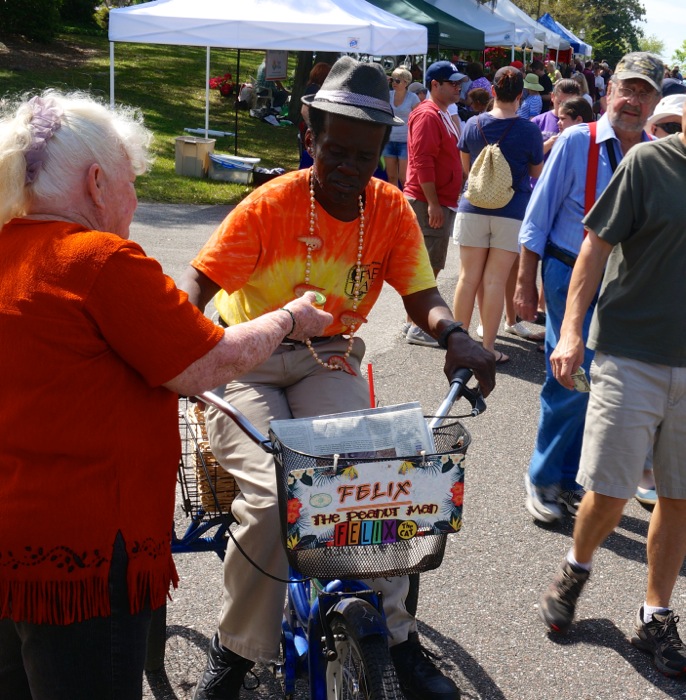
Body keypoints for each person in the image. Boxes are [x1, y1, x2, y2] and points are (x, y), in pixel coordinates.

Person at [180, 56, 496, 700]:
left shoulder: (388, 209)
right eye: (337, 151)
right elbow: (197, 286)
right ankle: (237, 652)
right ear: (311, 138)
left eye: (365, 154)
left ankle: (398, 638)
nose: (352, 167)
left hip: (328, 358)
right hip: (248, 361)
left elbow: (421, 295)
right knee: (277, 496)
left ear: (384, 147)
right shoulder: (270, 205)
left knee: (383, 484)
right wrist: (174, 348)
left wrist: (456, 335)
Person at [0, 89, 331, 700]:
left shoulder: (9, 248)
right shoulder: (99, 259)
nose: (132, 200)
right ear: (98, 182)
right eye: (131, 181)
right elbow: (209, 361)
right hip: (88, 557)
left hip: (16, 542)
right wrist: (287, 319)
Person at [538, 101, 686, 677]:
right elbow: (595, 247)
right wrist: (571, 331)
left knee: (678, 496)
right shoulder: (648, 163)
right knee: (611, 488)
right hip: (630, 352)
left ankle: (655, 615)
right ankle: (575, 568)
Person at [514, 52, 664, 523]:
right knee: (572, 374)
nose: (633, 101)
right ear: (609, 90)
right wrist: (524, 283)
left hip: (624, 283)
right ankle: (543, 478)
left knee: (605, 383)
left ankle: (570, 476)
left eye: (644, 93)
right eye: (627, 89)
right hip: (566, 273)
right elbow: (536, 219)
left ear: (656, 102)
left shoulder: (654, 153)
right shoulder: (577, 141)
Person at [452, 66, 544, 364]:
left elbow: (466, 166)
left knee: (467, 278)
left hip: (472, 208)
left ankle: (458, 343)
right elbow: (534, 172)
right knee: (494, 281)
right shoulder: (530, 130)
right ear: (520, 95)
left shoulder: (472, 123)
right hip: (511, 211)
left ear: (493, 91)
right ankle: (488, 347)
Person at [403, 61, 467, 348]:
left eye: (458, 82)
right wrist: (432, 203)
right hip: (429, 200)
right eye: (451, 82)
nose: (458, 86)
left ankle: (414, 324)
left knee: (430, 265)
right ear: (434, 85)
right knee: (427, 266)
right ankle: (416, 326)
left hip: (437, 199)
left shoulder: (438, 113)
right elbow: (422, 161)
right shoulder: (428, 115)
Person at [383, 66, 420, 188]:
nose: (394, 83)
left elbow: (419, 119)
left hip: (405, 141)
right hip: (389, 140)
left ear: (406, 82)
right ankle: (394, 204)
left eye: (397, 80)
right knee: (391, 177)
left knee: (403, 178)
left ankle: (406, 204)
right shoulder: (388, 95)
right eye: (393, 80)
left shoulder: (413, 98)